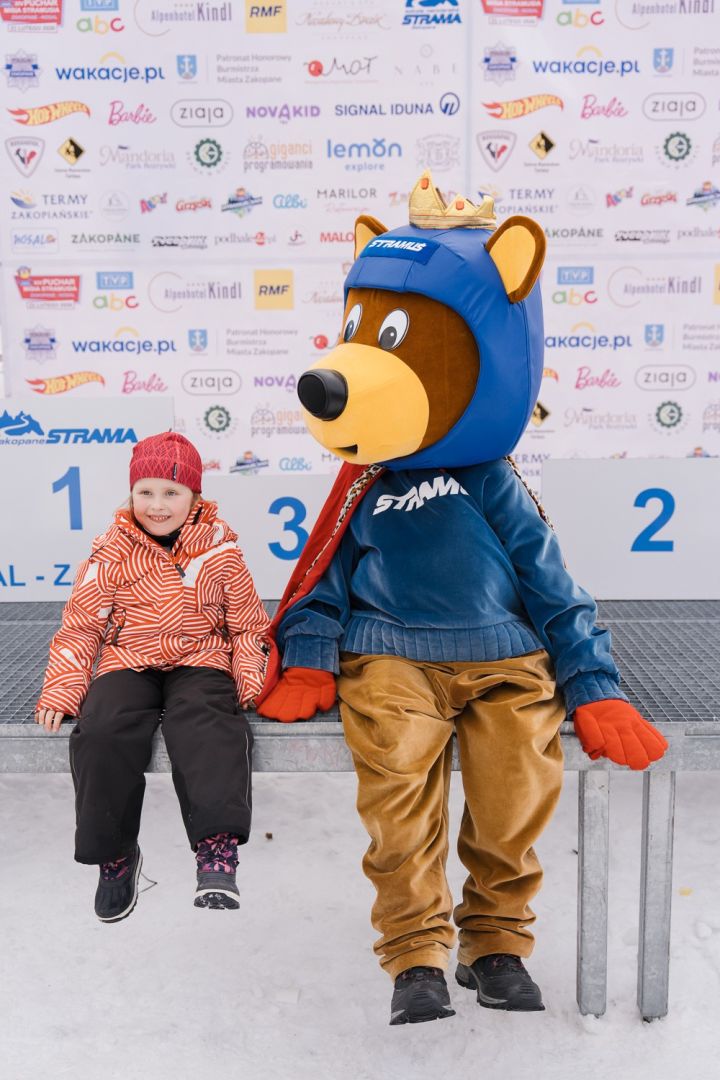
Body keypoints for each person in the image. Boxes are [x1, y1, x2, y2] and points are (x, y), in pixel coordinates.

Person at [256, 175, 669, 1025]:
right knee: (397, 796)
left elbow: (554, 587)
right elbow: (322, 583)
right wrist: (309, 658)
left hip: (507, 661)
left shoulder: (493, 482)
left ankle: (496, 942)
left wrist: (594, 683)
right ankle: (416, 956)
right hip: (392, 657)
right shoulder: (363, 485)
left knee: (516, 790)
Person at [35, 431, 269, 923]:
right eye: (146, 492)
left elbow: (248, 625)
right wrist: (63, 687)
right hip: (129, 659)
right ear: (131, 493)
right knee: (101, 729)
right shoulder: (112, 550)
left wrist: (250, 678)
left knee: (208, 721)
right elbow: (81, 626)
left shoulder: (220, 551)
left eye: (171, 492)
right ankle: (116, 855)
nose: (157, 505)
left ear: (194, 497)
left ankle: (216, 849)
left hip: (200, 657)